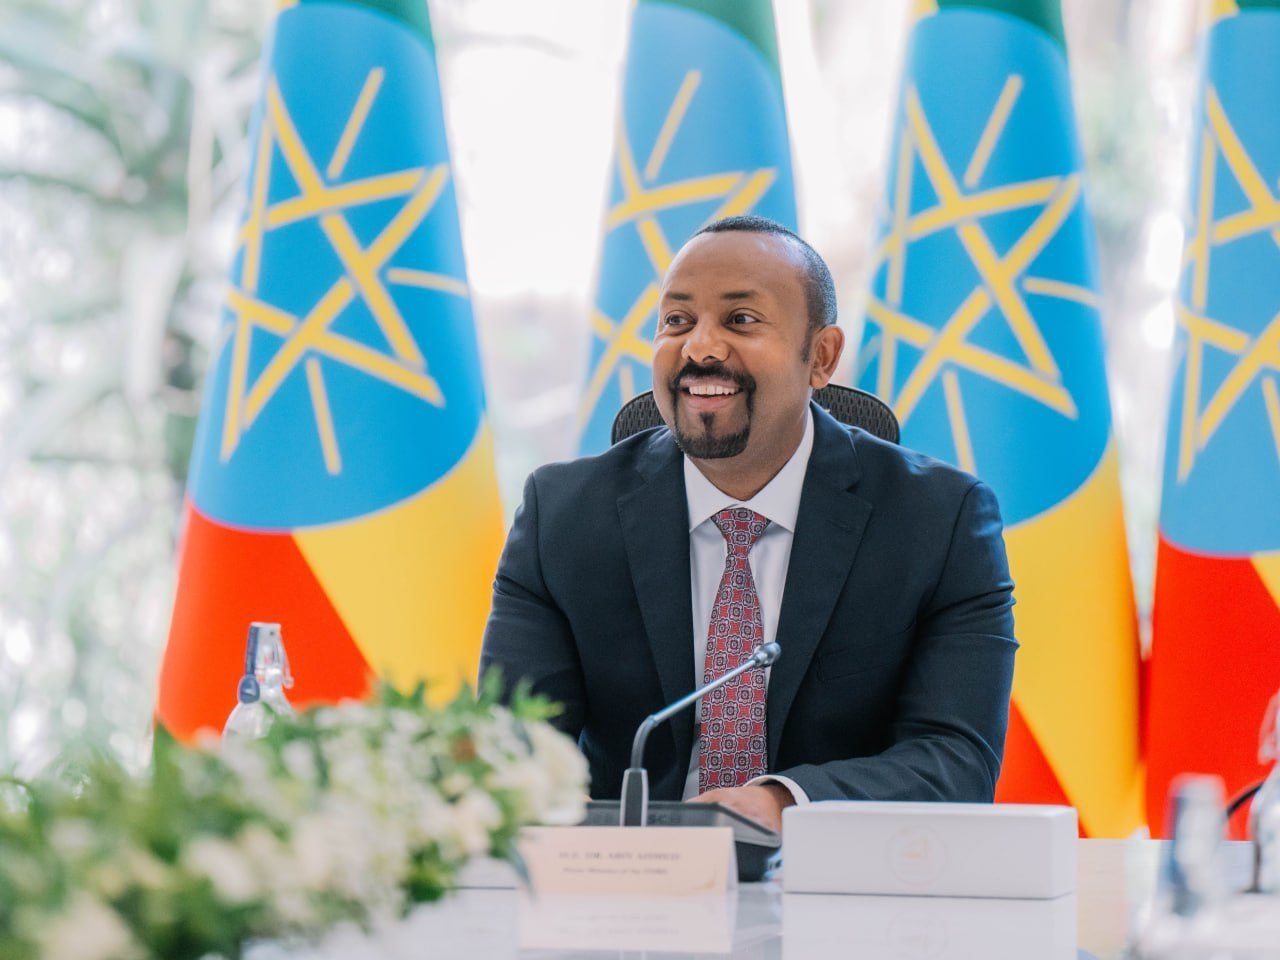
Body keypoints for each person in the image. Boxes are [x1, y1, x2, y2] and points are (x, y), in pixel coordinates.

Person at [480, 215, 1017, 832]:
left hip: (840, 871)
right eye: (677, 320)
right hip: (629, 869)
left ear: (821, 356)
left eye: (740, 319)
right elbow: (507, 746)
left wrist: (781, 804)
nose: (700, 348)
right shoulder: (562, 516)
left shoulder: (940, 520)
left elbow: (956, 758)